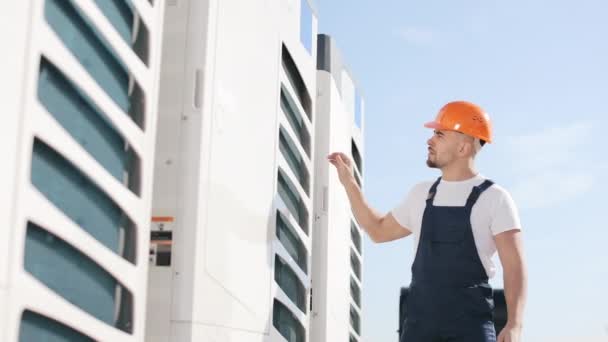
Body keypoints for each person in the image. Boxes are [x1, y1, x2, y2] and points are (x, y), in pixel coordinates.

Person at [327, 101, 527, 342]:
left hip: (471, 329)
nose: (430, 140)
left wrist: (514, 324)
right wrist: (349, 182)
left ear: (463, 147)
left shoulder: (495, 198)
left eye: (439, 135)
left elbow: (514, 267)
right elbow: (378, 231)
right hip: (419, 328)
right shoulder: (421, 194)